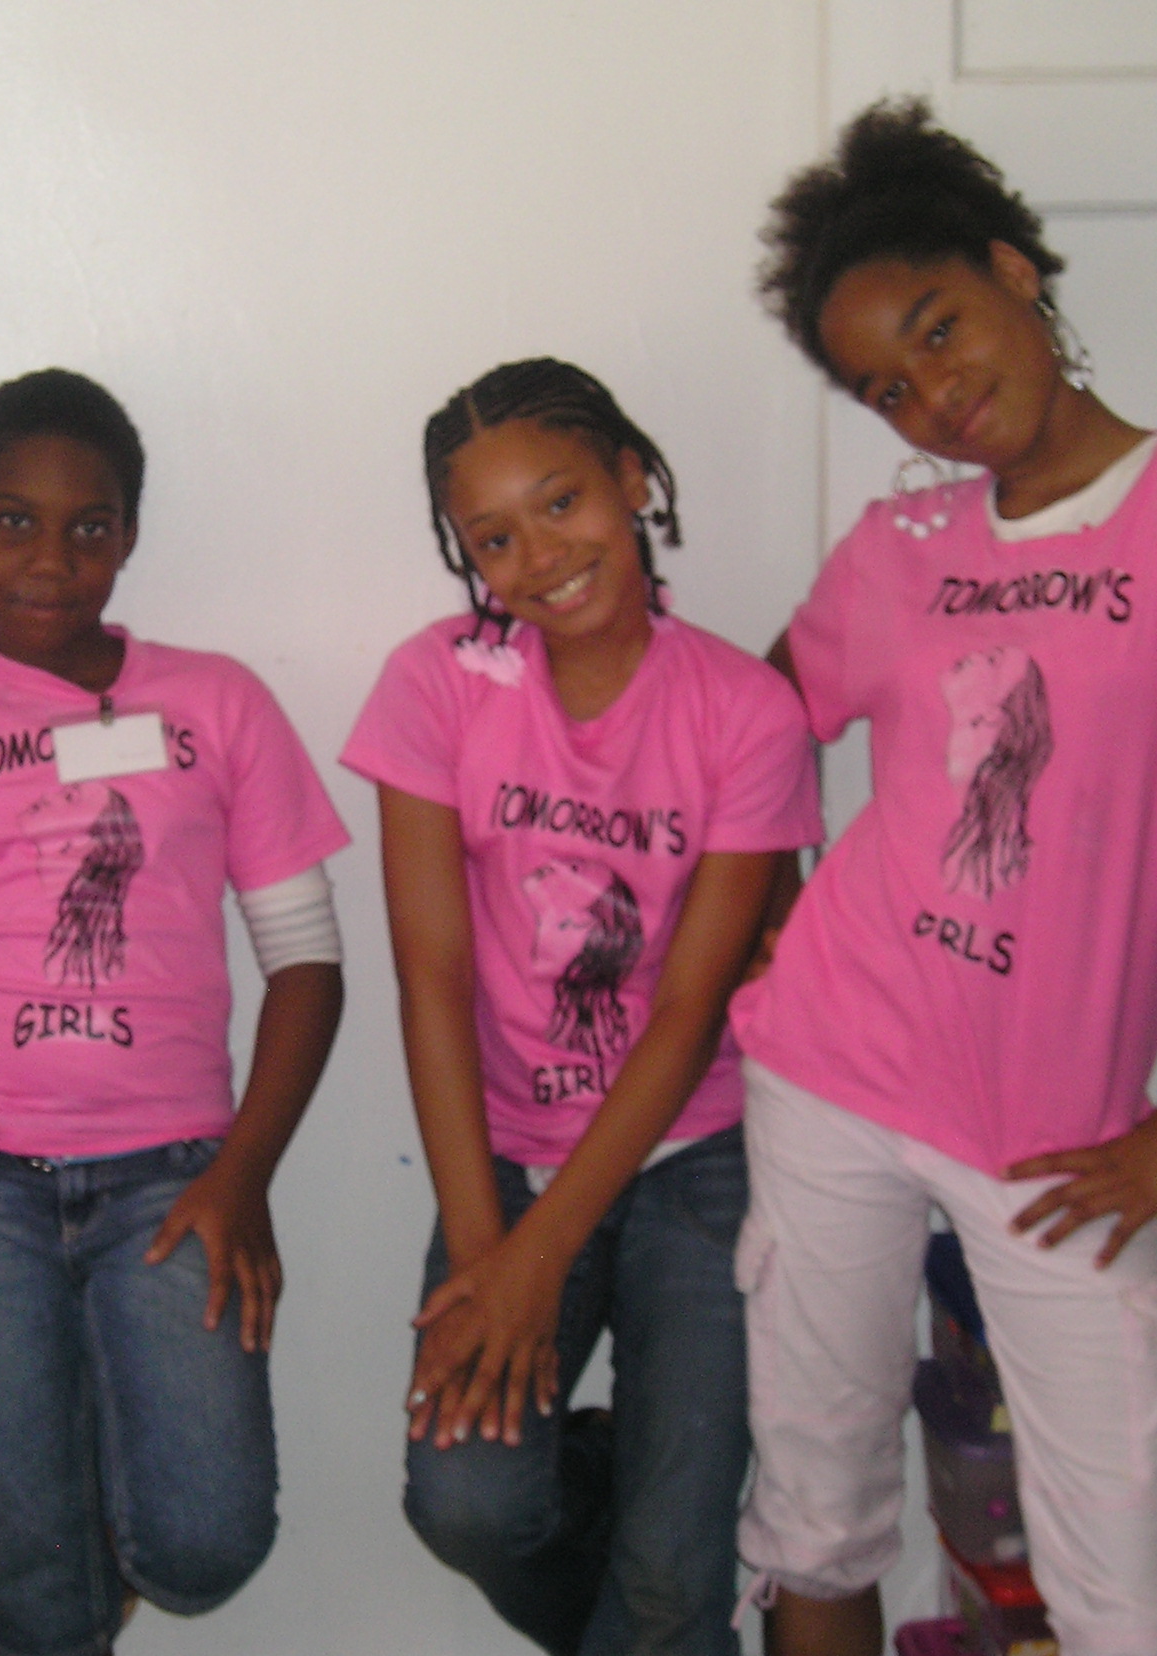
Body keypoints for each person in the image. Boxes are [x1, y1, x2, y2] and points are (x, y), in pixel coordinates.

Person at [732, 100, 1157, 1656]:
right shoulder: (903, 543)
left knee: (1130, 1604)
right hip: (832, 1070)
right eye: (889, 388)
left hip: (1062, 1138)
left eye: (939, 329)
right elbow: (753, 727)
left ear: (1014, 271)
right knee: (816, 1518)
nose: (934, 395)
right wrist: (772, 920)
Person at [0, 369, 349, 1656]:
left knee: (205, 1543)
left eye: (87, 527)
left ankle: (92, 1520)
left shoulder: (216, 704)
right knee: (36, 1586)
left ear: (127, 535)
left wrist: (242, 1172)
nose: (49, 559)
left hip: (174, 1180)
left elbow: (307, 962)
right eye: (12, 521)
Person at [341, 358, 824, 1655]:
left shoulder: (744, 710)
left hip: (699, 1153)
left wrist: (537, 1262)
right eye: (493, 536)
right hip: (503, 1156)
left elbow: (689, 1008)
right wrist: (486, 1253)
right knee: (469, 1505)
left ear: (633, 478)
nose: (539, 556)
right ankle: (614, 1497)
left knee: (674, 1576)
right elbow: (431, 975)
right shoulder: (436, 682)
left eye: (561, 502)